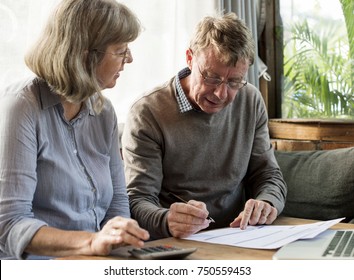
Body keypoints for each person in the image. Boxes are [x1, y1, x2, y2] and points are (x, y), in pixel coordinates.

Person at [0, 0, 149, 260]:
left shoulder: (104, 112)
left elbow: (117, 205)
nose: (130, 59)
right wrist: (92, 242)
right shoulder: (21, 107)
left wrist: (119, 238)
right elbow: (9, 224)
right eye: (120, 50)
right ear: (84, 54)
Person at [122, 12, 287, 240]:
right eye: (211, 77)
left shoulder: (250, 100)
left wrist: (267, 202)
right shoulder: (148, 112)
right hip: (176, 241)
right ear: (190, 58)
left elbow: (268, 175)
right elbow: (137, 200)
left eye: (234, 82)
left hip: (241, 236)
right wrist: (166, 220)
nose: (221, 93)